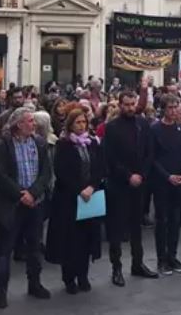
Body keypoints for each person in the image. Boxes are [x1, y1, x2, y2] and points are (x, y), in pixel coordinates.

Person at [0, 108, 52, 306]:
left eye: (33, 121)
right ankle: (1, 291)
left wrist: (33, 193)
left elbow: (45, 172)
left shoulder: (39, 143)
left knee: (34, 247)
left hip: (35, 203)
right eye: (29, 121)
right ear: (18, 124)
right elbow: (0, 174)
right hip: (12, 205)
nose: (33, 124)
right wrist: (20, 194)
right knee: (4, 249)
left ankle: (34, 283)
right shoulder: (3, 145)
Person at [45, 109, 105, 294]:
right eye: (77, 122)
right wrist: (80, 189)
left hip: (91, 196)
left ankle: (83, 275)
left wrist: (92, 187)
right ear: (70, 124)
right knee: (71, 240)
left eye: (84, 122)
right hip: (69, 200)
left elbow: (100, 167)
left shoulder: (92, 143)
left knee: (87, 239)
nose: (81, 126)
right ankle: (69, 277)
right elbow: (62, 172)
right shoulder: (63, 145)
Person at [102, 90, 158, 286]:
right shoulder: (111, 127)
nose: (130, 108)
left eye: (133, 104)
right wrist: (128, 176)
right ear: (120, 105)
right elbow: (109, 158)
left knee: (136, 226)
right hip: (119, 184)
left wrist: (142, 174)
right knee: (116, 228)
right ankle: (116, 267)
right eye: (126, 104)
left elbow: (149, 152)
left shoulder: (143, 124)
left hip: (140, 183)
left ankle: (138, 263)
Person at [149, 94, 181, 276]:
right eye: (170, 108)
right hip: (161, 181)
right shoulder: (155, 129)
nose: (174, 111)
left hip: (179, 180)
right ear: (163, 109)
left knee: (175, 220)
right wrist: (167, 176)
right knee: (162, 220)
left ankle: (173, 255)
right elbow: (152, 157)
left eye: (176, 107)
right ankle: (161, 258)